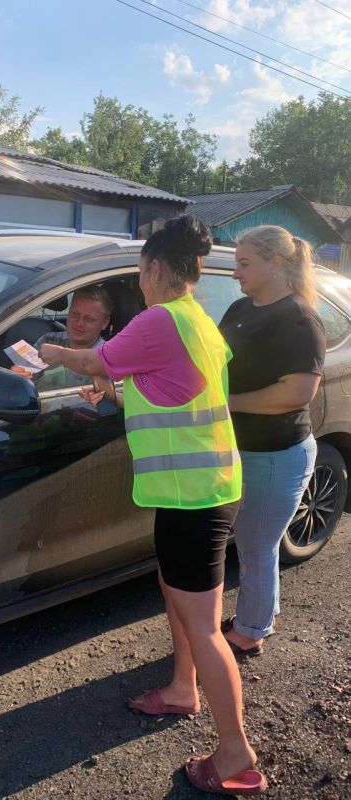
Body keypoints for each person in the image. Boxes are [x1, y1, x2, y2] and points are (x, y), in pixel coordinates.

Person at [38, 215, 267, 797]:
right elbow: (167, 388)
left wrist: (51, 350)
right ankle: (181, 688)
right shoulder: (195, 321)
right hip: (200, 489)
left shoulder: (160, 319)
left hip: (196, 498)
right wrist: (122, 392)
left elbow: (93, 359)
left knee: (204, 625)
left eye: (141, 272)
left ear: (156, 268)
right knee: (177, 594)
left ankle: (236, 752)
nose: (138, 282)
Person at [218, 225, 326, 658]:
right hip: (246, 449)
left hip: (276, 454)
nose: (235, 273)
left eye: (244, 263)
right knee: (255, 544)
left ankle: (249, 632)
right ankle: (263, 613)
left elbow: (297, 392)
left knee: (257, 548)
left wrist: (227, 403)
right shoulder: (242, 308)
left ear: (276, 263)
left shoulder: (298, 318)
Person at [12, 286, 113, 388]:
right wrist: (20, 375)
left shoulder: (108, 357)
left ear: (105, 323)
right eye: (75, 314)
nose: (79, 323)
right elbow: (26, 377)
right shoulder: (49, 340)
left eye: (89, 319)